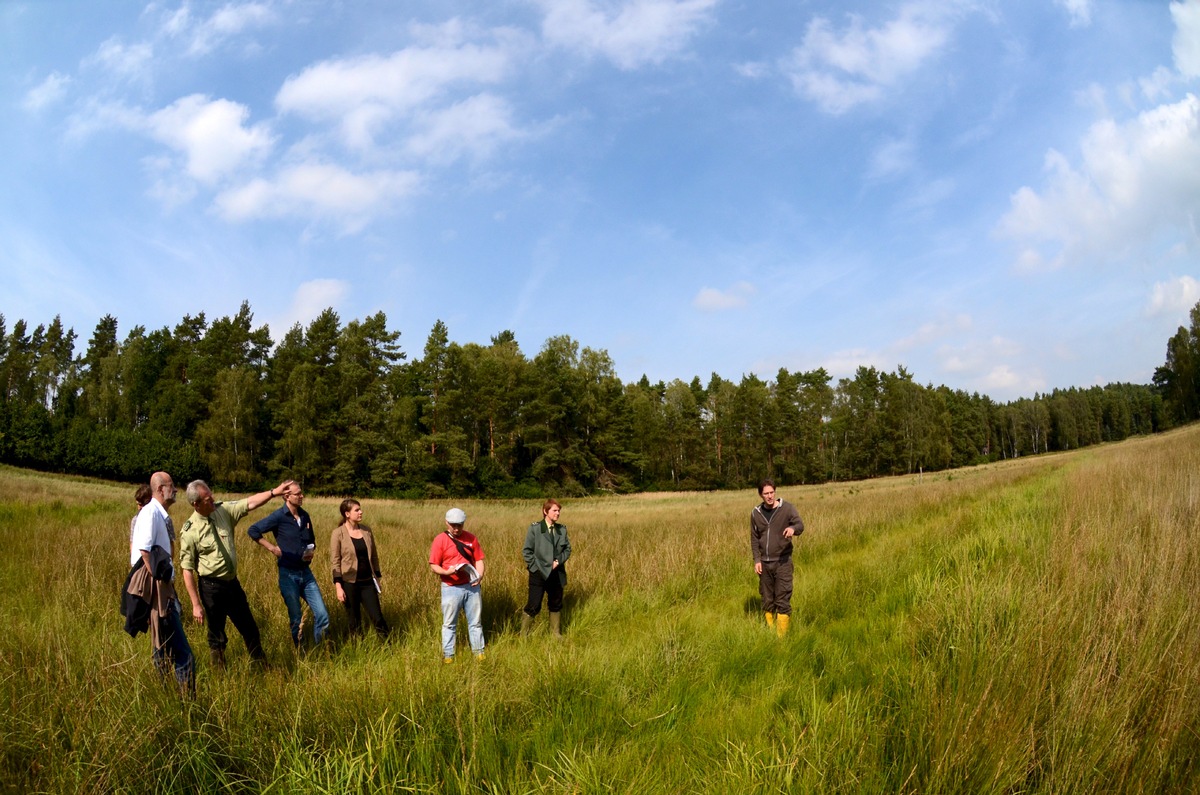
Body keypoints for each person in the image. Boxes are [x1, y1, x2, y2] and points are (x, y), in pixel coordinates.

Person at [177, 479, 293, 669]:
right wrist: (196, 604)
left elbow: (251, 502)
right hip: (211, 588)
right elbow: (187, 569)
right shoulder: (190, 531)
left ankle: (261, 665)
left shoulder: (223, 511)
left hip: (232, 585)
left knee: (250, 628)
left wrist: (274, 492)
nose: (212, 499)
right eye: (207, 499)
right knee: (217, 636)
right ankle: (220, 674)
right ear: (196, 504)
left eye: (211, 494)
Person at [128, 471, 194, 694]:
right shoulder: (150, 514)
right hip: (158, 589)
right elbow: (144, 551)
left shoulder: (157, 514)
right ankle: (188, 705)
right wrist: (160, 583)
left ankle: (165, 693)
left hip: (162, 588)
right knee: (184, 654)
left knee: (162, 645)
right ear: (159, 489)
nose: (175, 490)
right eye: (171, 486)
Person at [248, 483, 330, 649]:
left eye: (301, 493)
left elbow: (311, 540)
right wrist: (271, 548)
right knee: (296, 618)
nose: (301, 496)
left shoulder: (305, 516)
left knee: (322, 615)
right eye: (297, 494)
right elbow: (253, 530)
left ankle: (321, 650)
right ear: (286, 496)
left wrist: (310, 551)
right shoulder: (278, 517)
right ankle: (301, 653)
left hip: (306, 573)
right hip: (288, 575)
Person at [428, 507, 486, 662]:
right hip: (450, 587)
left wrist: (479, 576)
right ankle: (448, 655)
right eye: (453, 524)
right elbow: (434, 564)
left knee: (475, 622)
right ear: (446, 523)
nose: (456, 528)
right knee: (449, 624)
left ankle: (479, 652)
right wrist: (447, 572)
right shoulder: (440, 540)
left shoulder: (471, 538)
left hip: (471, 586)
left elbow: (479, 559)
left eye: (459, 525)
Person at [750, 479, 804, 637]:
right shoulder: (755, 513)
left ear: (775, 491)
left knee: (782, 599)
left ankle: (781, 639)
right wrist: (757, 560)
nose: (769, 496)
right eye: (765, 493)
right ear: (761, 494)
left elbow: (800, 525)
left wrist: (792, 528)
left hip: (783, 562)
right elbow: (754, 539)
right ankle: (770, 632)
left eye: (771, 492)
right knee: (767, 600)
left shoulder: (787, 509)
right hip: (765, 565)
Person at [330, 498, 389, 639]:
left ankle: (388, 646)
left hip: (368, 582)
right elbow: (335, 561)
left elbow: (374, 556)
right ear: (347, 514)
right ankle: (358, 649)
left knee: (378, 617)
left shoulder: (366, 531)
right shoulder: (338, 533)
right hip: (349, 583)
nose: (361, 512)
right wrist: (338, 586)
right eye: (357, 510)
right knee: (354, 621)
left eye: (360, 509)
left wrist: (377, 577)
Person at [520, 498, 571, 637]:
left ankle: (555, 634)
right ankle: (523, 635)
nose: (558, 513)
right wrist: (535, 567)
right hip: (538, 574)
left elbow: (567, 549)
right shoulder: (535, 528)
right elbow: (527, 551)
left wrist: (558, 561)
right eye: (554, 510)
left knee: (556, 603)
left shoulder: (562, 530)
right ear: (545, 511)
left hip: (557, 573)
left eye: (559, 510)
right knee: (534, 605)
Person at [129, 483, 152, 558]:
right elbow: (132, 542)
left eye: (141, 505)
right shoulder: (135, 520)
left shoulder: (158, 518)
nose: (139, 508)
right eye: (137, 504)